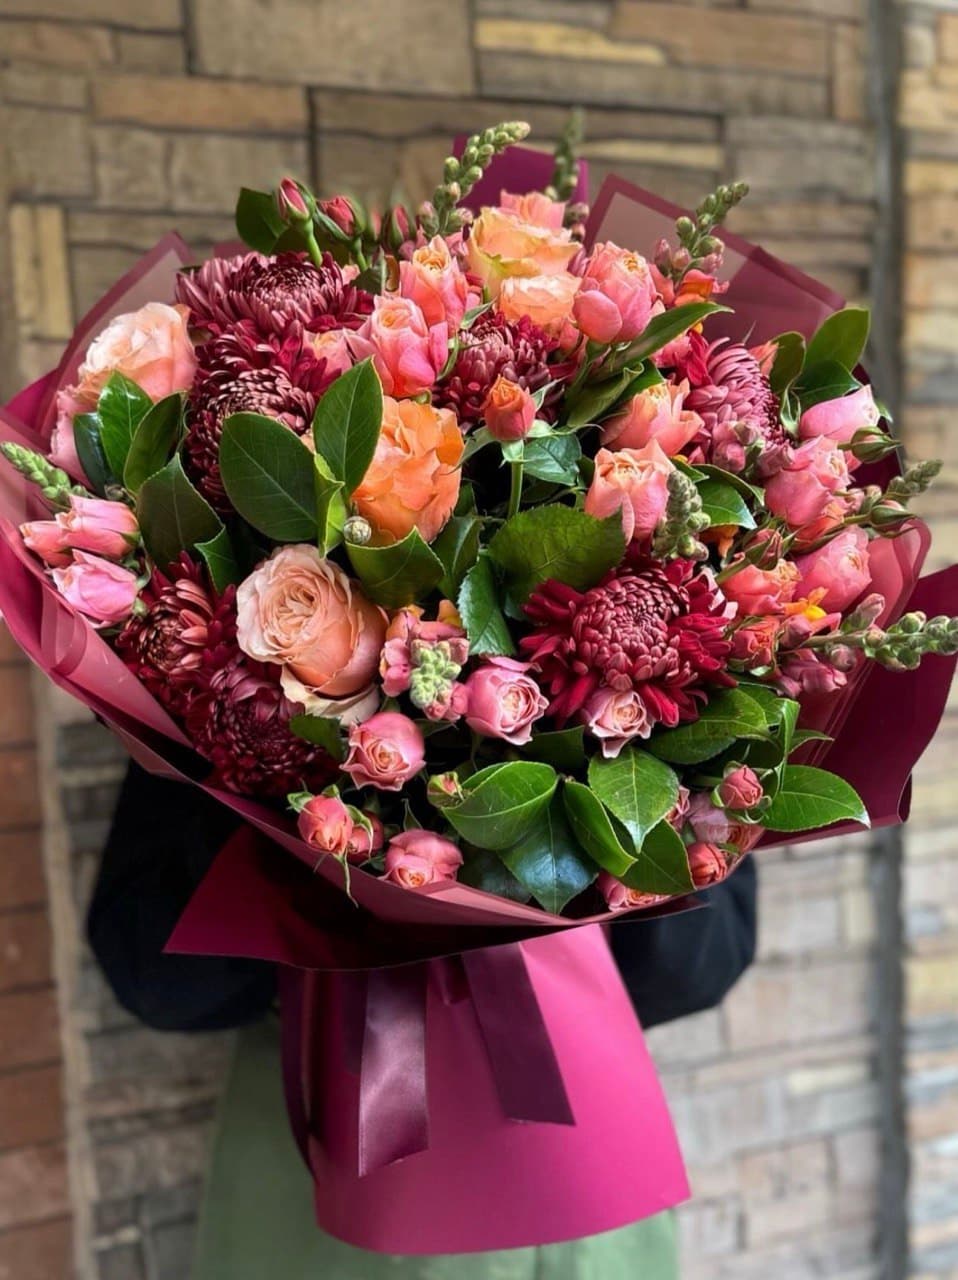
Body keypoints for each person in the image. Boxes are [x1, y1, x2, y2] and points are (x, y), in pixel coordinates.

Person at [89, 763, 758, 1280]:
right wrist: (277, 790)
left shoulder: (670, 630)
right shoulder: (236, 653)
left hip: (585, 1138)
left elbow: (705, 962)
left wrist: (620, 830)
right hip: (332, 1138)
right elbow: (155, 978)